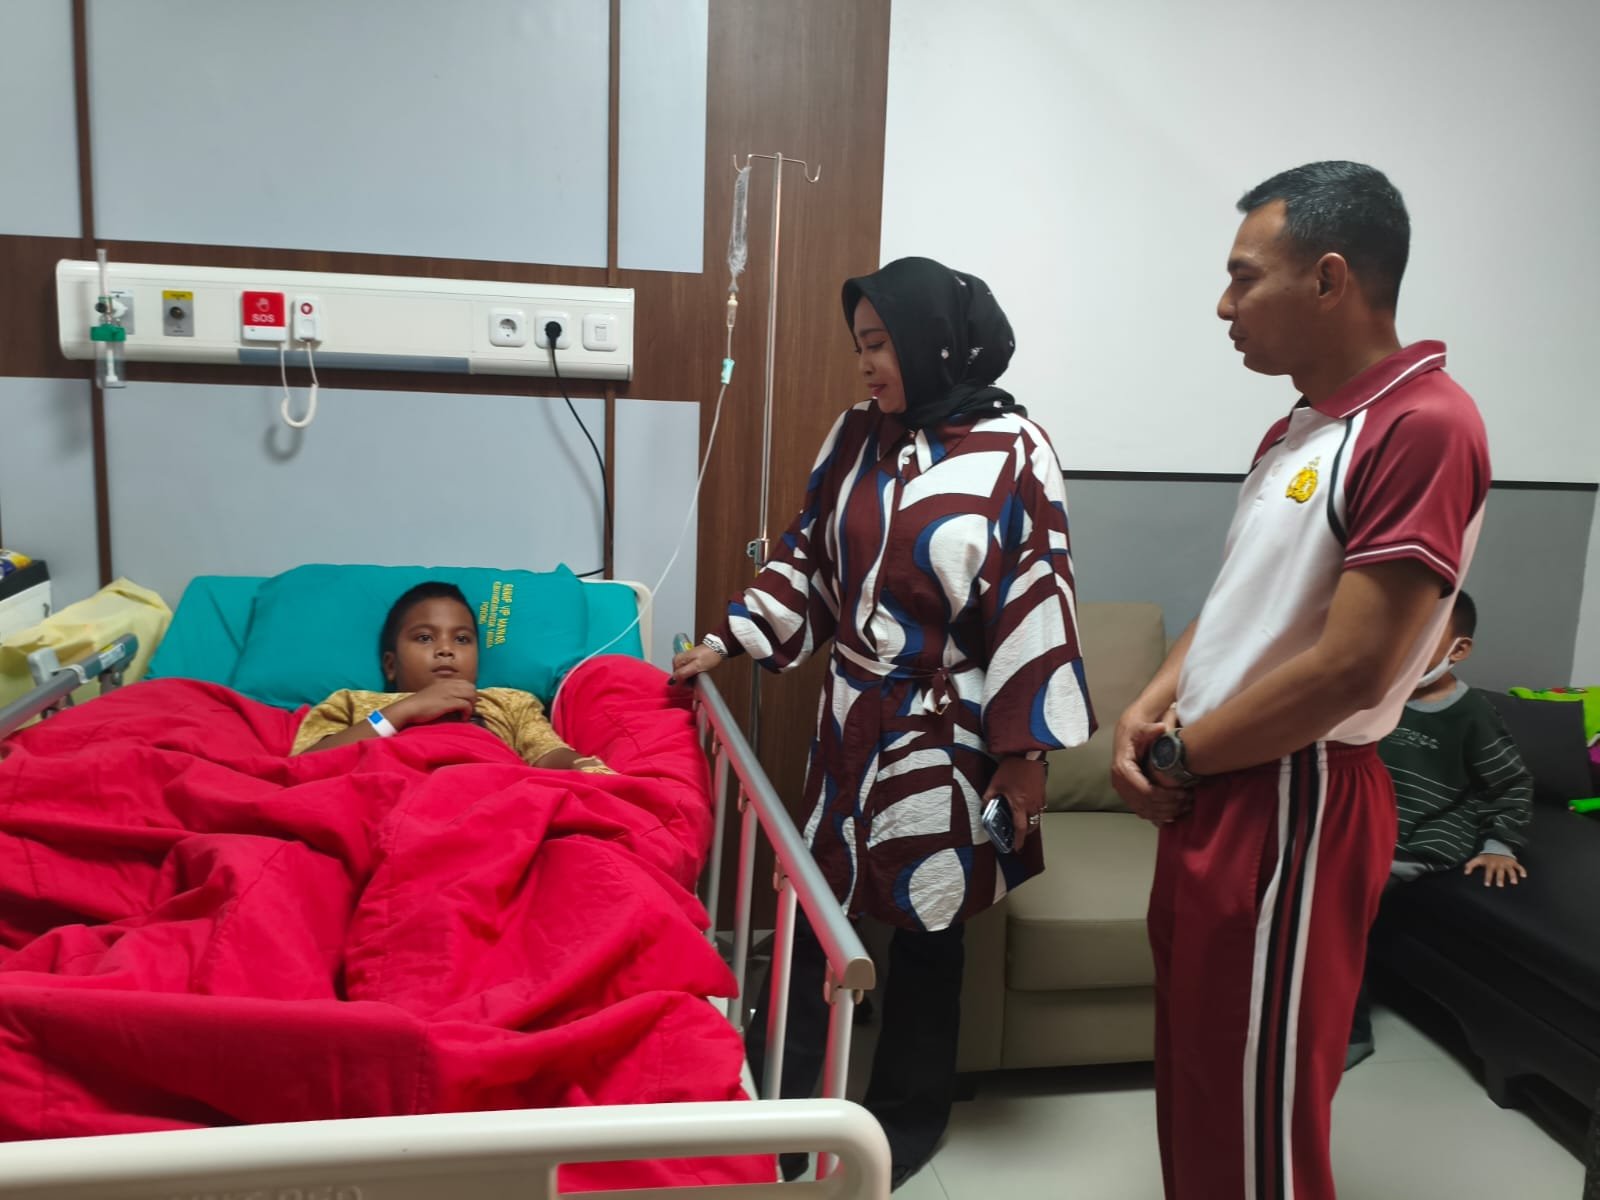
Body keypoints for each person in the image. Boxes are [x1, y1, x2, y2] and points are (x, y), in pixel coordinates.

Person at [1110, 162, 1491, 1200]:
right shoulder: (1296, 430)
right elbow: (1245, 601)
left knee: (1257, 1110)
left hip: (1295, 791)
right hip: (1224, 780)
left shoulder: (1424, 423)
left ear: (1328, 279)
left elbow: (1353, 668)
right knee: (1200, 1076)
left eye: (1244, 277)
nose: (1223, 305)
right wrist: (1147, 706)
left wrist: (1185, 752)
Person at [672, 257, 1094, 1188]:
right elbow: (807, 557)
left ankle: (907, 1121)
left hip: (950, 731)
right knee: (817, 911)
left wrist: (1024, 757)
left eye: (880, 345)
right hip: (851, 716)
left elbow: (1037, 599)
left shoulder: (1016, 450)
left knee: (931, 930)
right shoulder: (857, 434)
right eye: (859, 345)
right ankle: (781, 1110)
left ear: (934, 342)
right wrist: (728, 638)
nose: (865, 364)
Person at [1346, 589, 1532, 1067]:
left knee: (1340, 912)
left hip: (1419, 839)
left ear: (1458, 649)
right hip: (1365, 827)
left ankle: (1351, 1032)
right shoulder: (1383, 697)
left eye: (1422, 636)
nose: (1405, 646)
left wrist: (1500, 844)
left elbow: (1510, 783)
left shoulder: (1472, 715)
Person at [293, 580, 609, 771]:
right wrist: (404, 711)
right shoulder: (353, 703)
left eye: (461, 639)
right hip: (383, 798)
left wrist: (579, 764)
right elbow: (305, 766)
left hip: (488, 800)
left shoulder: (507, 703)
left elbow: (546, 753)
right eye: (424, 638)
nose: (446, 649)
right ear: (390, 665)